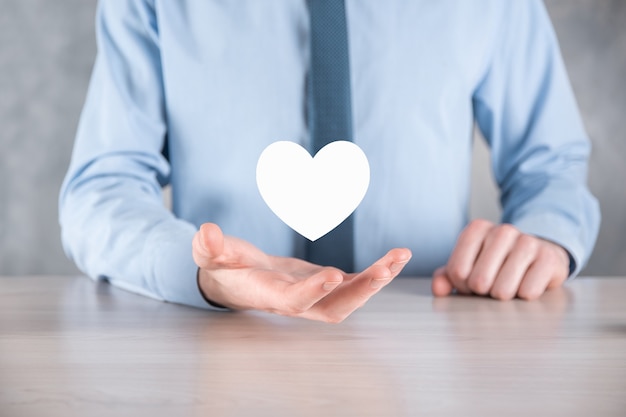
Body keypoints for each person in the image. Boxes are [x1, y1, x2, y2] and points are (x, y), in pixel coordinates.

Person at [59, 0, 600, 323]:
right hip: (226, 342)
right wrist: (199, 273)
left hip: (435, 336)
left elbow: (549, 167)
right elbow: (103, 188)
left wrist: (543, 239)